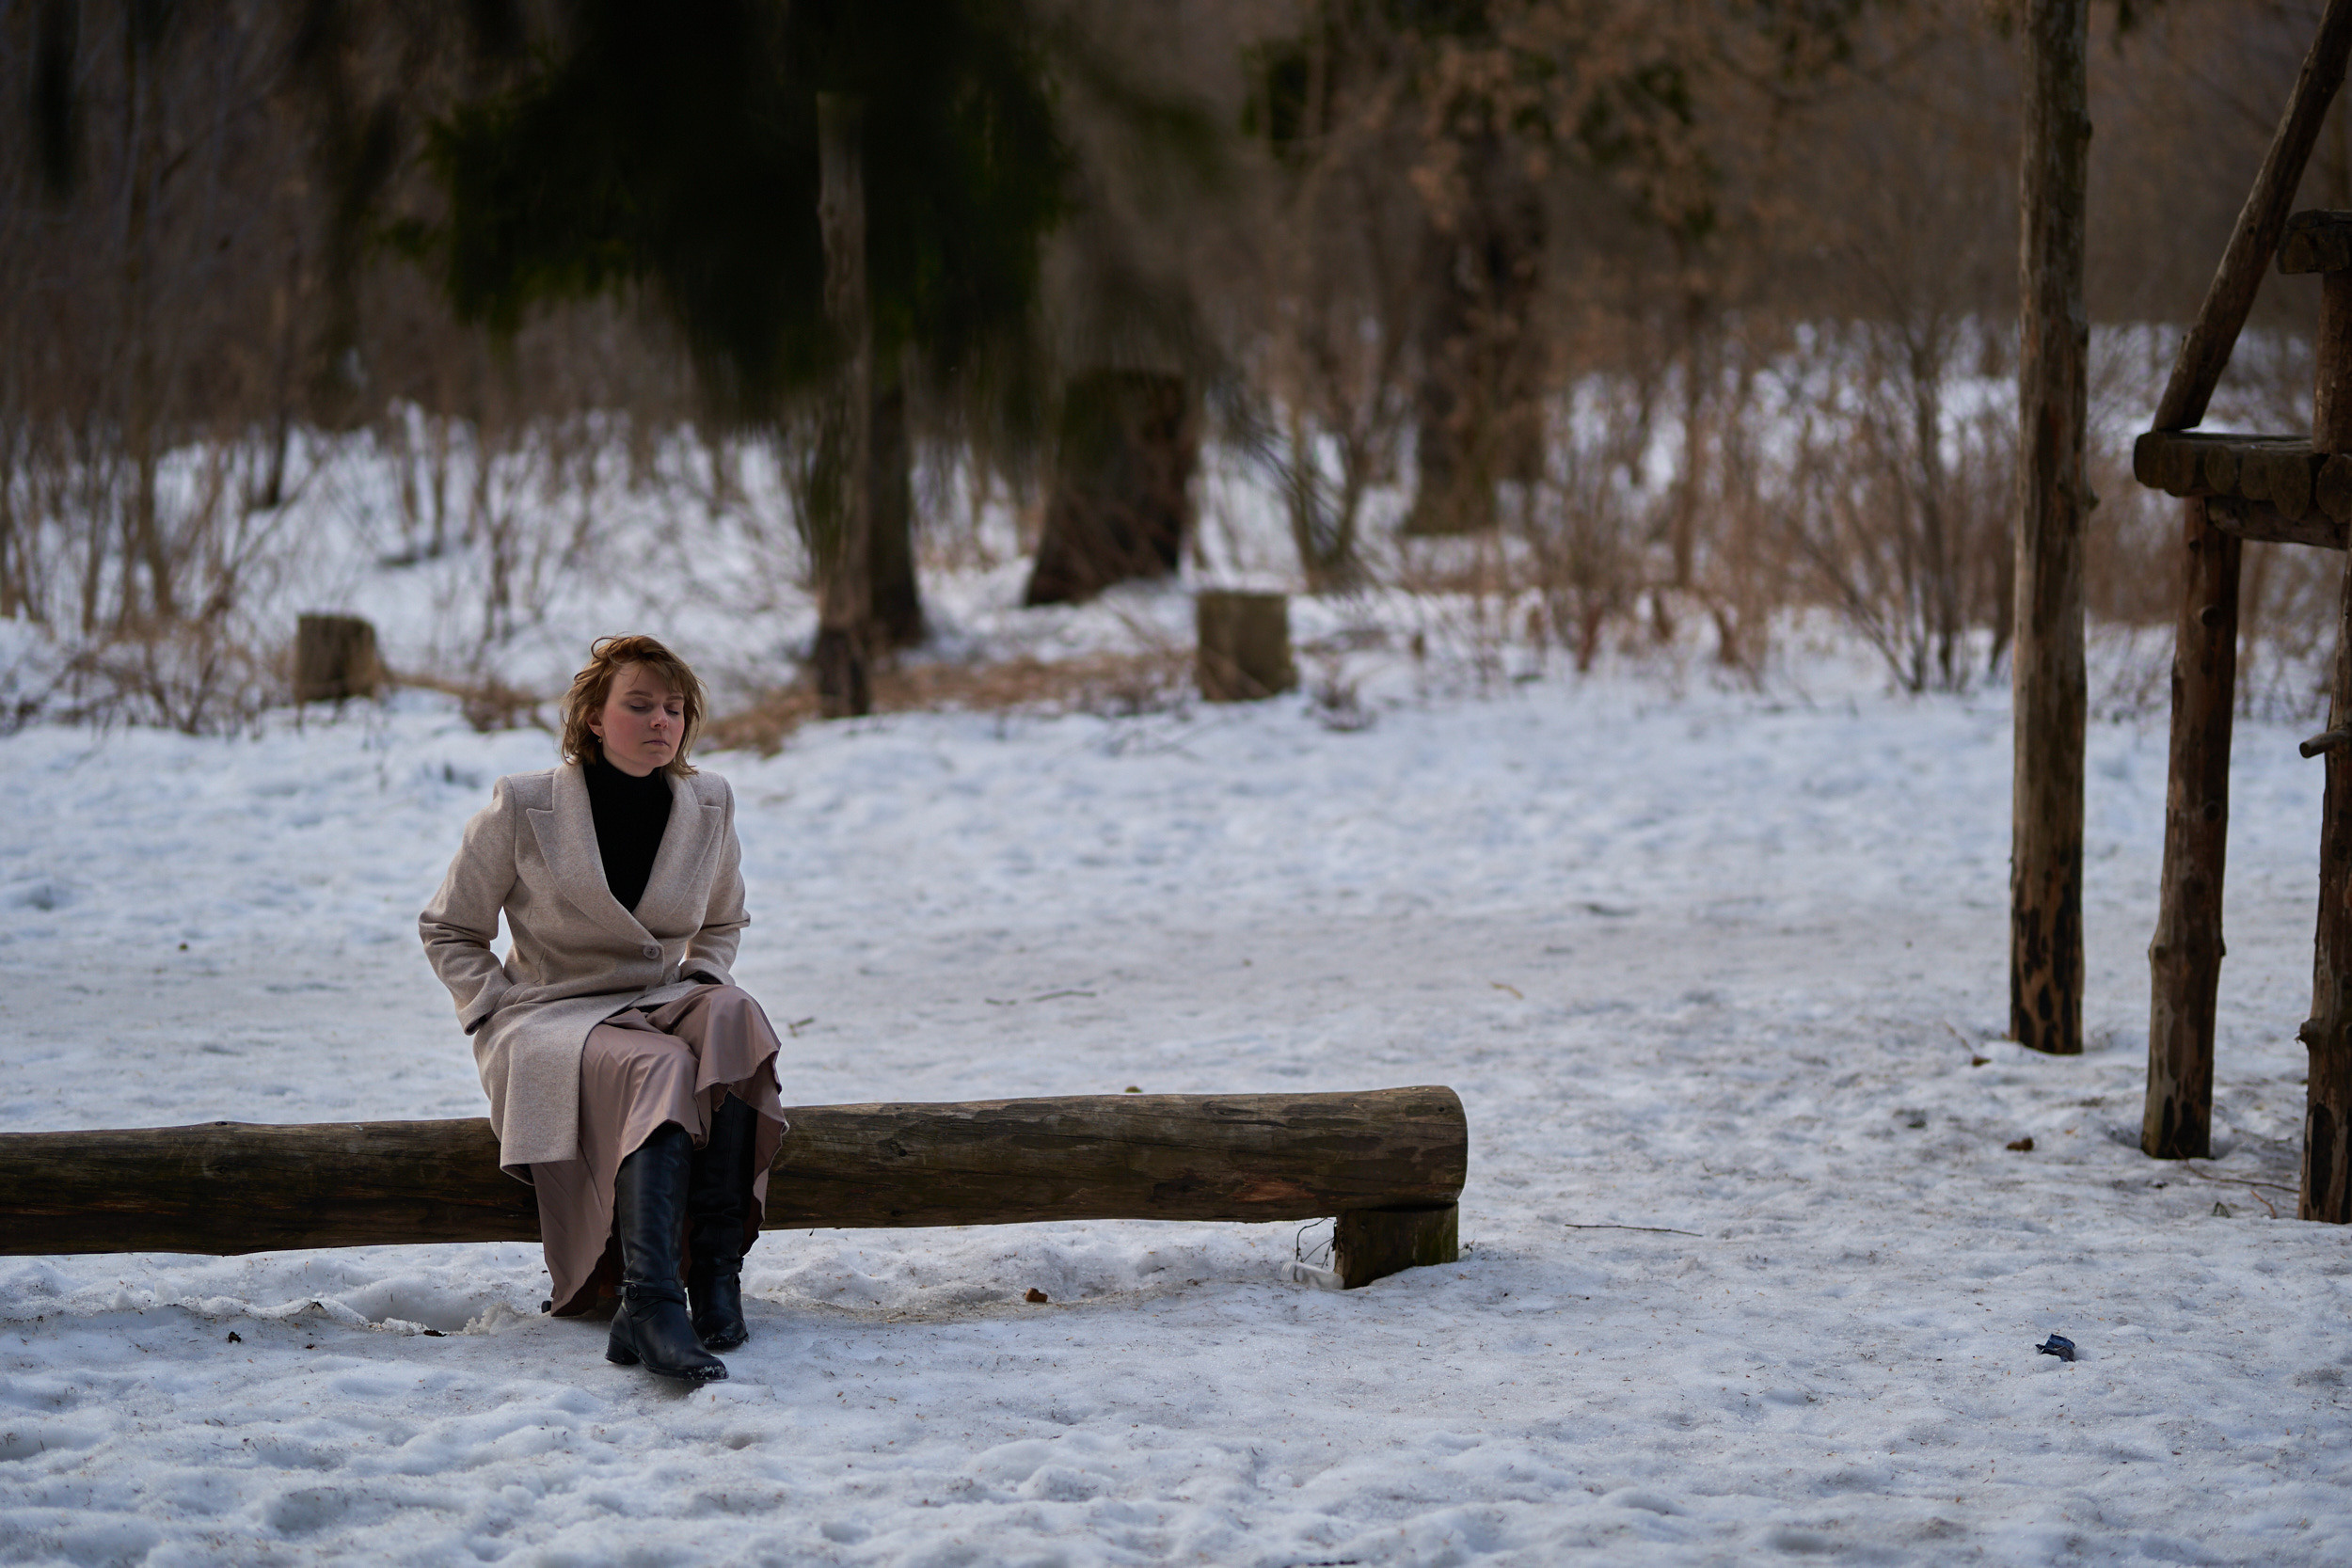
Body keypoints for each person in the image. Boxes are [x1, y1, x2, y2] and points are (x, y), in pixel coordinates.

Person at [420, 635, 788, 1383]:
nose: (662, 721)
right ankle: (647, 1301)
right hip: (554, 1015)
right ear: (593, 715)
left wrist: (706, 978)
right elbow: (450, 927)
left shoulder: (707, 802)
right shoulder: (525, 805)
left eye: (675, 708)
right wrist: (493, 1010)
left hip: (659, 997)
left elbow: (722, 920)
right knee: (660, 1064)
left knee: (736, 1016)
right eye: (640, 704)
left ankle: (717, 1272)